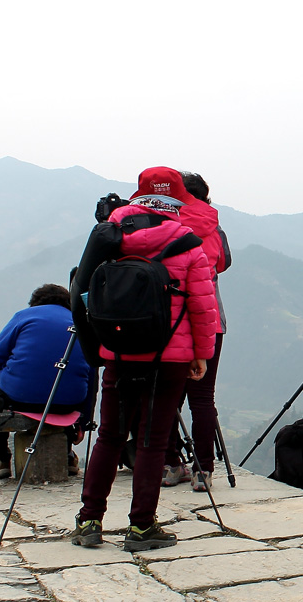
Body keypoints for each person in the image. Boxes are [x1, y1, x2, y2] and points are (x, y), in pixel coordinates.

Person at [70, 181, 218, 552]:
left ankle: (89, 520)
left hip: (117, 353)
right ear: (176, 203)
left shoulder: (109, 238)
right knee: (153, 441)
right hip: (169, 357)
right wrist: (201, 353)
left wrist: (96, 348)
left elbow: (83, 291)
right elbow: (202, 306)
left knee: (109, 436)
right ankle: (141, 527)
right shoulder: (188, 245)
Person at [156, 169, 232, 492]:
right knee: (203, 398)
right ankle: (204, 471)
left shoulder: (164, 223)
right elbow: (224, 262)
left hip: (170, 323)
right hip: (211, 320)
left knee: (167, 395)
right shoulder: (215, 227)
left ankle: (172, 465)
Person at [0, 284, 95, 479]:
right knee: (61, 387)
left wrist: (15, 379)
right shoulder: (82, 323)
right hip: (69, 401)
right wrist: (83, 421)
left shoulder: (24, 316)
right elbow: (89, 375)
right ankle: (66, 457)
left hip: (21, 397)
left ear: (35, 303)